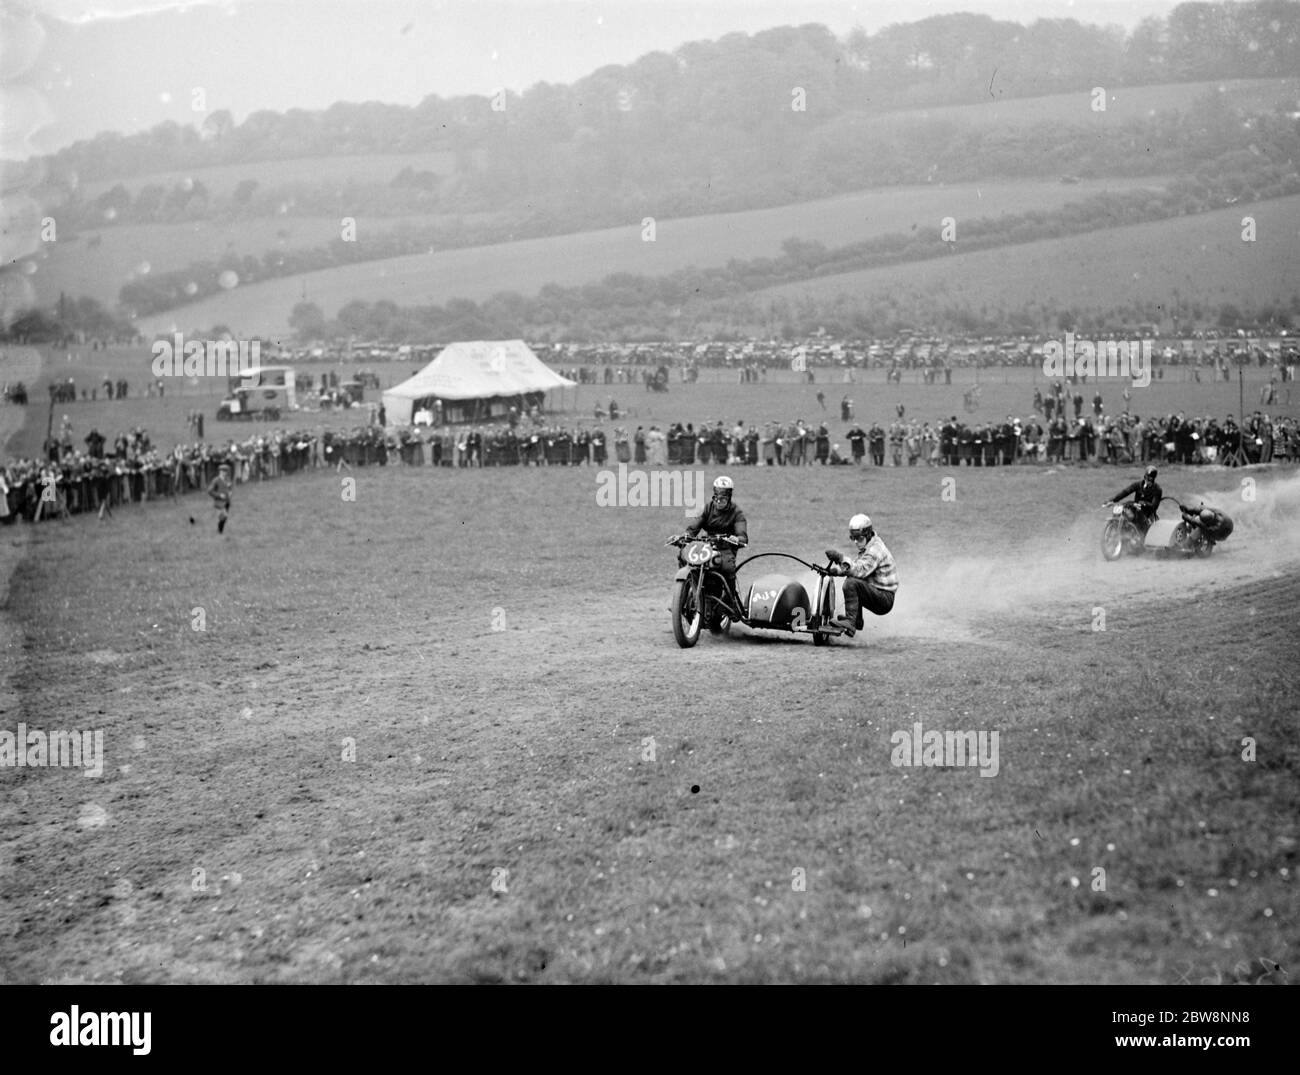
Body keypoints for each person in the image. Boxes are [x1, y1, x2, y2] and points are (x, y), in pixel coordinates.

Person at [824, 513, 899, 637]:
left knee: (851, 583)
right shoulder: (870, 544)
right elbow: (857, 566)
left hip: (884, 599)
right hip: (879, 592)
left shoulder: (875, 550)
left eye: (859, 538)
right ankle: (856, 620)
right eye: (853, 538)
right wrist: (836, 571)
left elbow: (859, 570)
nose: (856, 542)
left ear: (868, 534)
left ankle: (851, 622)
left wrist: (840, 558)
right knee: (853, 580)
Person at [682, 475, 748, 600]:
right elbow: (694, 527)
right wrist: (686, 536)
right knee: (684, 556)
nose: (718, 502)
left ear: (729, 497)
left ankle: (730, 600)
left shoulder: (737, 513)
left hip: (725, 548)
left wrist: (737, 539)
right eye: (716, 498)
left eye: (722, 499)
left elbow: (742, 536)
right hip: (707, 546)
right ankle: (682, 596)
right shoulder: (707, 508)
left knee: (727, 567)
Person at [1107, 465, 1162, 533]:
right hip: (1135, 507)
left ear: (1153, 479)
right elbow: (1126, 492)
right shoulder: (1138, 485)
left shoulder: (1157, 489)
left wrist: (1143, 503)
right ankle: (1120, 529)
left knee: (1138, 515)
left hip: (1147, 513)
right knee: (1123, 511)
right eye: (1146, 477)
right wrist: (1113, 500)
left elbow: (1154, 506)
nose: (1147, 480)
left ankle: (1139, 534)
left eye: (1150, 479)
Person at [207, 462, 233, 534]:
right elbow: (209, 491)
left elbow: (230, 487)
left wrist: (230, 492)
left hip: (227, 501)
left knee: (224, 518)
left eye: (226, 471)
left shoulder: (227, 479)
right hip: (220, 502)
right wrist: (219, 495)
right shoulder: (216, 480)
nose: (225, 473)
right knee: (224, 516)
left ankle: (220, 531)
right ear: (220, 471)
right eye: (223, 471)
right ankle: (219, 530)